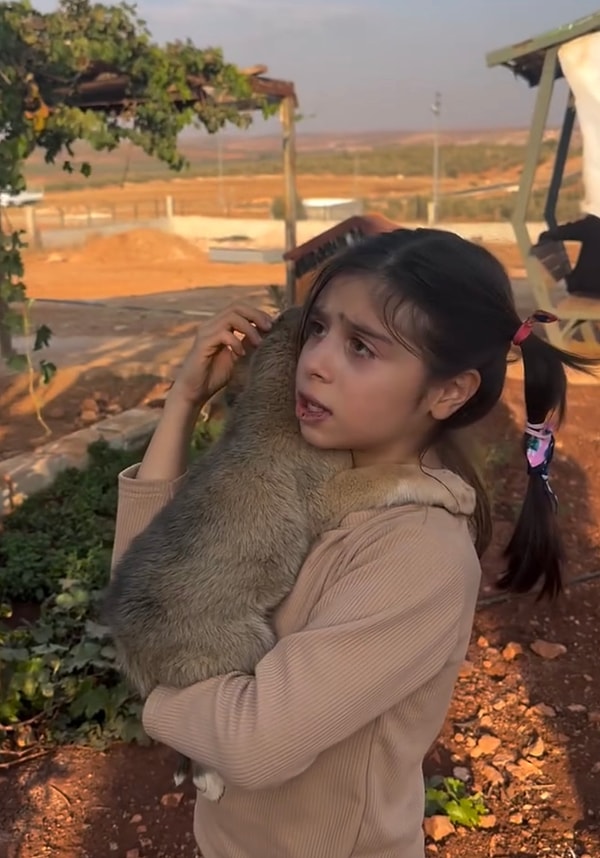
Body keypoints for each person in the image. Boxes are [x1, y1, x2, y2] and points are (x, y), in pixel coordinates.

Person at [110, 228, 597, 858]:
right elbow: (148, 597)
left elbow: (256, 743)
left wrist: (156, 699)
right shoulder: (311, 472)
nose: (314, 362)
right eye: (317, 329)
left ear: (449, 390)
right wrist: (183, 402)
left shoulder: (415, 551)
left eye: (361, 347)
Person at [537, 213, 600, 297]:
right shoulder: (592, 225)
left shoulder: (592, 225)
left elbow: (547, 235)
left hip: (585, 286)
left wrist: (581, 222)